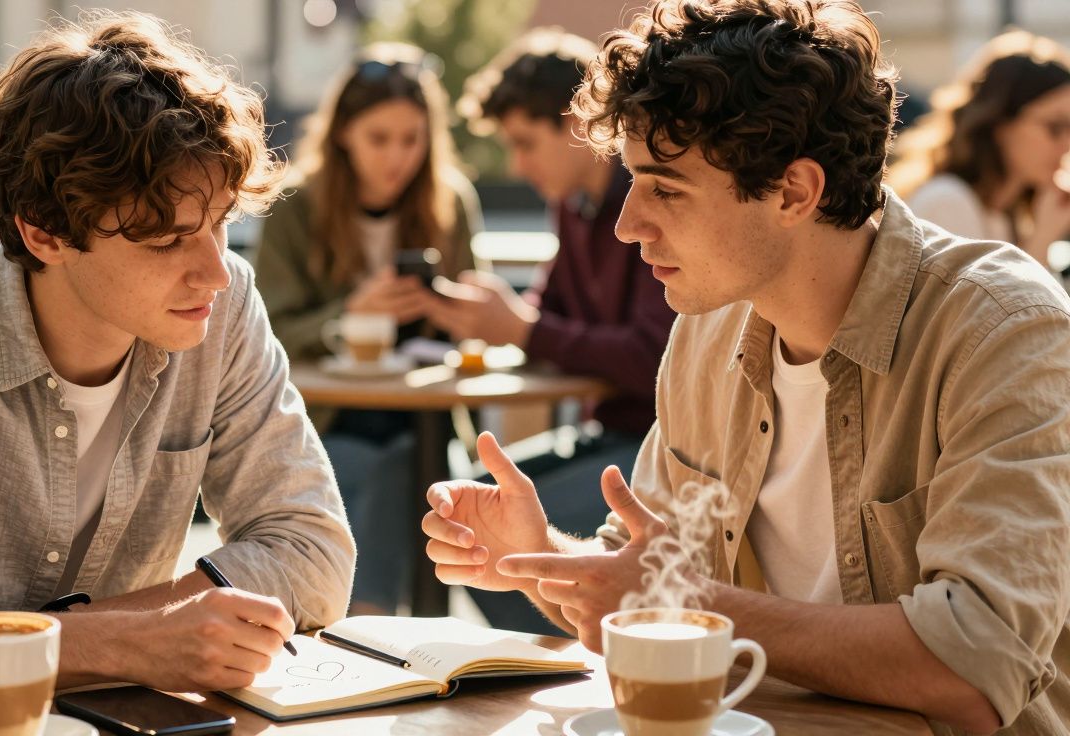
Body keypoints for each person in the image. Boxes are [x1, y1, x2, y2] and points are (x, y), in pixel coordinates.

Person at [423, 1, 1070, 733]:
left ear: (794, 192)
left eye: (665, 186)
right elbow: (638, 593)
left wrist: (684, 601)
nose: (628, 225)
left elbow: (974, 666)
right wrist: (540, 553)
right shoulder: (705, 332)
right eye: (631, 181)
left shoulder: (1005, 328)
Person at [0, 12, 354, 729]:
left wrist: (108, 639)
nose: (217, 273)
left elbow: (312, 548)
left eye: (222, 222)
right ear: (43, 231)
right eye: (169, 239)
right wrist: (122, 642)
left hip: (104, 717)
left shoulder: (222, 312)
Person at [435, 28, 677, 633]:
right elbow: (550, 312)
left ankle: (572, 664)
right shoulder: (573, 204)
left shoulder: (644, 203)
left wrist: (520, 327)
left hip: (655, 451)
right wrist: (495, 320)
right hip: (608, 434)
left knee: (487, 537)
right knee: (466, 507)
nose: (516, 164)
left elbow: (654, 359)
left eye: (525, 143)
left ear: (576, 122)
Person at [254, 42, 480, 615]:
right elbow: (265, 329)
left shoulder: (450, 201)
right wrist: (351, 315)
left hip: (426, 416)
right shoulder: (295, 206)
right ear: (344, 134)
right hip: (327, 421)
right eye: (379, 139)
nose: (397, 158)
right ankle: (386, 623)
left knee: (411, 467)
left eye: (412, 139)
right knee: (392, 473)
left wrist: (454, 311)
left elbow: (473, 325)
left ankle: (365, 622)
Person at [890, 30, 1070, 285]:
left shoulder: (1005, 214)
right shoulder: (946, 202)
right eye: (1055, 127)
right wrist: (1043, 237)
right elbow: (990, 319)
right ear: (999, 122)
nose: (1067, 145)